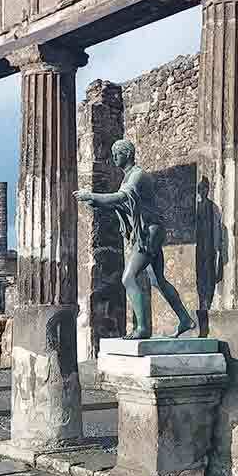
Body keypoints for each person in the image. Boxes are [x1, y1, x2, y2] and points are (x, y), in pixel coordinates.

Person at [76, 138, 195, 340]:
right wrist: (98, 203)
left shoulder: (138, 175)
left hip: (149, 232)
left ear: (128, 154)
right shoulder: (128, 177)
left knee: (128, 277)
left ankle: (142, 329)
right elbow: (123, 204)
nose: (114, 158)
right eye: (113, 154)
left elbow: (122, 198)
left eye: (117, 154)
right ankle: (184, 319)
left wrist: (93, 196)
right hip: (149, 231)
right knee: (158, 280)